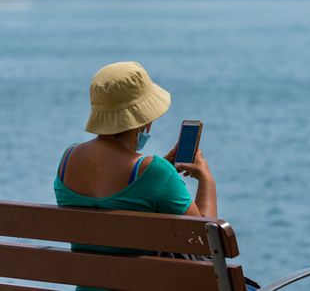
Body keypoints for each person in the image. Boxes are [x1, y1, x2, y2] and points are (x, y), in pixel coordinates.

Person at [54, 61, 221, 290]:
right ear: (143, 120)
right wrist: (206, 179)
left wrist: (160, 170)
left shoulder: (68, 160)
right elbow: (206, 243)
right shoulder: (155, 173)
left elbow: (116, 196)